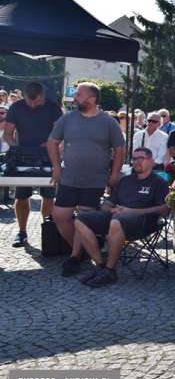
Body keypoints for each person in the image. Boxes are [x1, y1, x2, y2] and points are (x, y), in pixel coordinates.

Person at [48, 82, 125, 277]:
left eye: (79, 95)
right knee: (59, 216)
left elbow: (120, 149)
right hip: (69, 178)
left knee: (83, 219)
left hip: (95, 180)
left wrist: (114, 175)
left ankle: (74, 257)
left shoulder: (108, 122)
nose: (75, 98)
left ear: (92, 99)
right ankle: (85, 249)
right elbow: (52, 142)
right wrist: (57, 168)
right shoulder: (67, 119)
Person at [71, 147, 169, 287]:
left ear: (151, 161)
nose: (136, 162)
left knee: (117, 222)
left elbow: (165, 210)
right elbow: (106, 204)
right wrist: (113, 210)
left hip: (143, 220)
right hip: (118, 218)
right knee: (81, 219)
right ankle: (101, 266)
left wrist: (132, 211)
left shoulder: (158, 182)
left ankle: (110, 271)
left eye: (140, 158)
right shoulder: (125, 180)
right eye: (134, 159)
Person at [3, 82, 64, 247]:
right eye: (29, 102)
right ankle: (22, 232)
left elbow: (57, 134)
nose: (32, 105)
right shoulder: (16, 108)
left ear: (43, 96)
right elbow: (7, 133)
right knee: (21, 196)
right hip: (22, 158)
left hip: (48, 157)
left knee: (48, 196)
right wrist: (18, 149)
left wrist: (40, 149)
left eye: (36, 102)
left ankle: (47, 231)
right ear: (24, 96)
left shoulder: (53, 108)